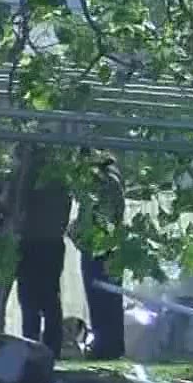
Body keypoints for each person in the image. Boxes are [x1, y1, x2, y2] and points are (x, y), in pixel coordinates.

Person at [10, 141, 73, 356]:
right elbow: (66, 205)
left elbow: (13, 204)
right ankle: (52, 347)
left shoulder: (24, 175)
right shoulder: (60, 177)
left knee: (29, 299)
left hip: (30, 241)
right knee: (50, 297)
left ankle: (30, 344)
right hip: (54, 242)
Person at [76, 151, 126, 359]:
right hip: (109, 246)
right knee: (110, 299)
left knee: (100, 298)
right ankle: (111, 344)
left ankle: (105, 345)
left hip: (99, 247)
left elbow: (100, 219)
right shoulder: (114, 183)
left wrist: (80, 233)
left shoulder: (104, 185)